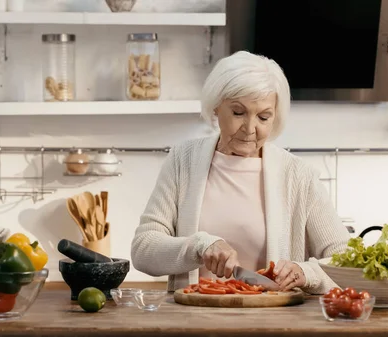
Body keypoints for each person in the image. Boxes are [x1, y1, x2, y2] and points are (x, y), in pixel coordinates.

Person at [131, 51, 350, 295]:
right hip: (194, 320)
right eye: (238, 113)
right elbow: (143, 249)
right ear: (216, 107)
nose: (250, 128)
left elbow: (345, 260)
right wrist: (200, 246)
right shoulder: (183, 160)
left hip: (273, 326)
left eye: (263, 117)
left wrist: (305, 273)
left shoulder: (298, 176)